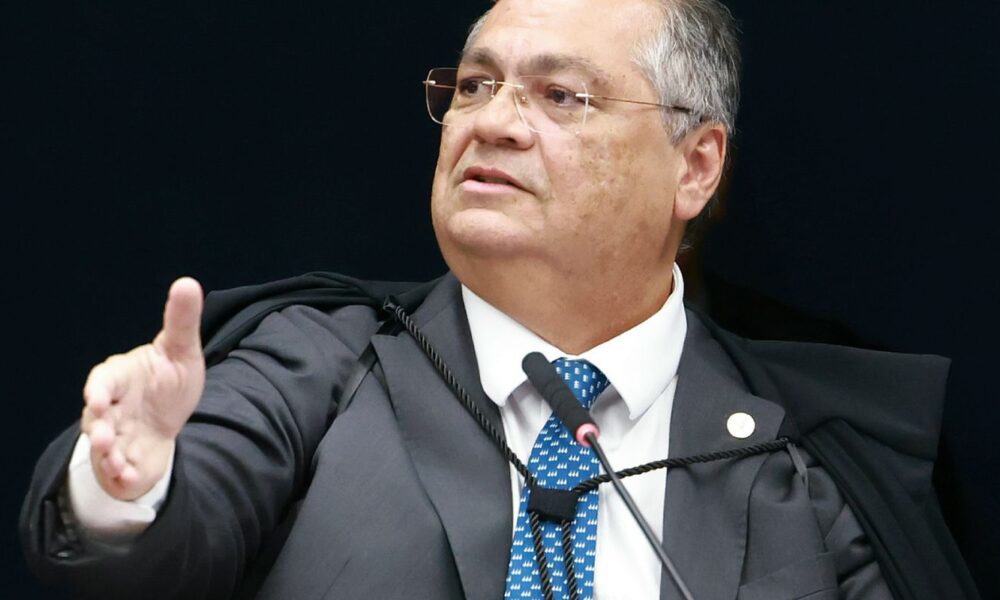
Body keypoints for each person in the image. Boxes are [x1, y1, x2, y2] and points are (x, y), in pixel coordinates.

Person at [19, 0, 979, 599]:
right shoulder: (316, 366)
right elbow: (154, 550)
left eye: (561, 97)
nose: (493, 122)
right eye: (475, 85)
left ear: (695, 167)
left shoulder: (809, 452)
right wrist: (128, 485)